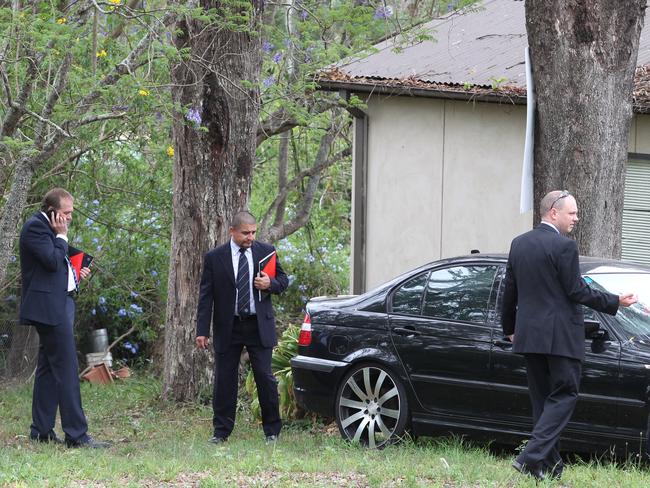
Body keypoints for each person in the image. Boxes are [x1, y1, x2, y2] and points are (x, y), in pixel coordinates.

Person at [501, 190, 636, 480]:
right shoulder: (564, 247)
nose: (576, 218)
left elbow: (509, 291)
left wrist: (510, 328)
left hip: (530, 337)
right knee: (564, 395)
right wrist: (615, 302)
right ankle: (530, 457)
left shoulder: (519, 244)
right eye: (572, 213)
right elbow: (576, 291)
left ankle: (548, 469)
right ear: (553, 211)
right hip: (560, 339)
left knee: (543, 402)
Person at [19, 188, 110, 448]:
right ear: (52, 211)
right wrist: (61, 237)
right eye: (66, 213)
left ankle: (41, 430)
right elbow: (50, 260)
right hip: (49, 309)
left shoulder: (50, 230)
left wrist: (75, 270)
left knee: (48, 370)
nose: (69, 218)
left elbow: (58, 264)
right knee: (68, 370)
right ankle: (77, 435)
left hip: (59, 304)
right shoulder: (36, 228)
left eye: (71, 213)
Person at [196, 211, 288, 444]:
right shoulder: (215, 257)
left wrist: (270, 284)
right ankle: (221, 432)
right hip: (229, 326)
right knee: (224, 380)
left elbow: (283, 282)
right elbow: (206, 297)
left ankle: (272, 432)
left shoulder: (266, 252)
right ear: (232, 232)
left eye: (253, 232)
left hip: (259, 326)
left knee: (265, 378)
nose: (250, 237)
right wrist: (202, 330)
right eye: (245, 233)